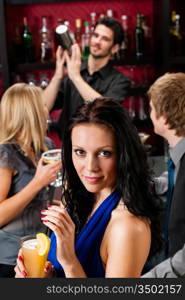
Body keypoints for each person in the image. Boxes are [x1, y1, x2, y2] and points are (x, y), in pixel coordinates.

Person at [15, 98, 162, 278]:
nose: (90, 166)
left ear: (124, 154)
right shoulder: (75, 198)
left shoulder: (128, 227)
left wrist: (69, 261)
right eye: (80, 152)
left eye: (104, 153)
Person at [0, 83, 62, 277]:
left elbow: (51, 197)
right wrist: (38, 182)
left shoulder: (47, 146)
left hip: (43, 248)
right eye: (42, 104)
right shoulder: (5, 152)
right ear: (30, 112)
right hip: (10, 259)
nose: (47, 109)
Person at [43, 16, 131, 139]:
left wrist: (76, 78)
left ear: (115, 48)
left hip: (99, 148)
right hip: (67, 147)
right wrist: (58, 76)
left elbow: (106, 112)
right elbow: (44, 107)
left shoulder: (120, 81)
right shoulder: (72, 73)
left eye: (105, 39)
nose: (97, 41)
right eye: (95, 35)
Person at [148, 72, 185, 258]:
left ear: (163, 118)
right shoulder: (179, 152)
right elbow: (174, 178)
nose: (150, 115)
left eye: (152, 109)